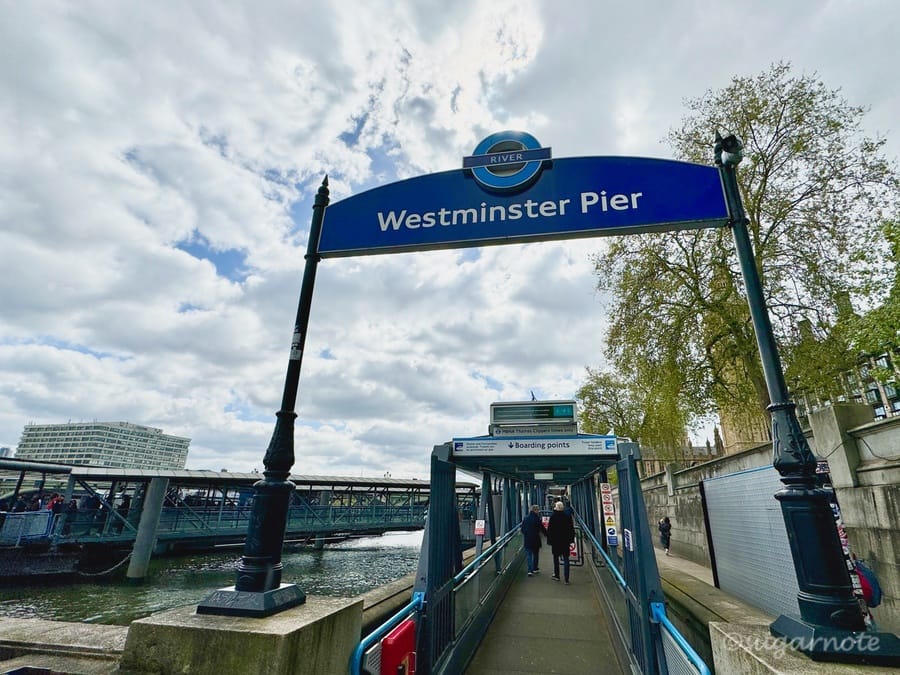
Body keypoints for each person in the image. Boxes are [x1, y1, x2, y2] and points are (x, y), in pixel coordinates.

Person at [547, 500, 576, 584]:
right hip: (565, 541)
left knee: (556, 558)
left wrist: (550, 541)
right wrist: (571, 540)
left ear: (556, 507)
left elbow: (550, 530)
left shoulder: (553, 517)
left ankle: (557, 575)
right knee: (566, 558)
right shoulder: (567, 517)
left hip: (555, 542)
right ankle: (566, 579)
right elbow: (571, 529)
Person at [521, 504, 547, 576]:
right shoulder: (537, 519)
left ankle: (529, 570)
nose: (538, 511)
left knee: (529, 555)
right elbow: (542, 528)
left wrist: (526, 534)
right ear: (535, 510)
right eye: (537, 510)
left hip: (528, 539)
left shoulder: (525, 518)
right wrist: (547, 534)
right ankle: (535, 568)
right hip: (535, 539)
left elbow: (522, 529)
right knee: (535, 554)